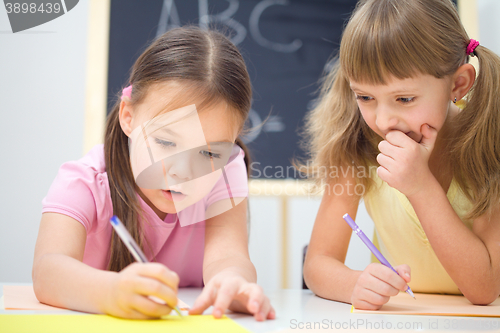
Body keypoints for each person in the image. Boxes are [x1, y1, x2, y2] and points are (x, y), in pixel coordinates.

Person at [33, 26, 275, 321]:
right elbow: (47, 270)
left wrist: (234, 282)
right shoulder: (84, 181)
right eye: (165, 142)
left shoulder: (226, 172)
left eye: (209, 153)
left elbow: (228, 256)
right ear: (129, 117)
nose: (182, 171)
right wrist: (111, 291)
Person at [302, 0, 500, 310]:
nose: (383, 121)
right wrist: (355, 284)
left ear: (458, 84)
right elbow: (318, 264)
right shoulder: (359, 145)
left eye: (404, 98)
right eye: (365, 97)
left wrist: (420, 187)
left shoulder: (488, 144)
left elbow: (484, 288)